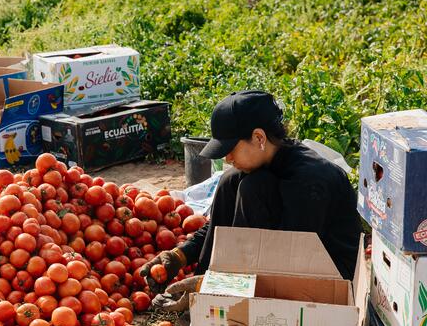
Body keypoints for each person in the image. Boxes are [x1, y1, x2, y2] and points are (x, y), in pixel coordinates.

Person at [142, 90, 361, 311]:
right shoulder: (269, 162)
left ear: (259, 138)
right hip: (287, 260)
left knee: (252, 187)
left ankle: (209, 297)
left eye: (231, 149)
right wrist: (180, 255)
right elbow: (221, 227)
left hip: (328, 279)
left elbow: (290, 259)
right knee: (230, 180)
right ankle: (202, 295)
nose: (227, 158)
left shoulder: (310, 181)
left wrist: (219, 286)